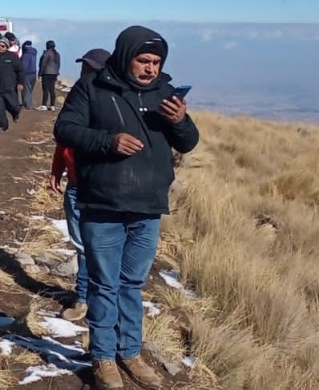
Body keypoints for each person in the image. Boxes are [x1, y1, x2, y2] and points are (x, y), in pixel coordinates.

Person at [54, 27, 199, 390]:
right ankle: (103, 359)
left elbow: (189, 142)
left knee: (131, 285)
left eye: (156, 62)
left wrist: (180, 120)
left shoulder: (165, 92)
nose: (151, 69)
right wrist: (108, 142)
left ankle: (129, 352)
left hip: (148, 208)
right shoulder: (92, 88)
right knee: (104, 285)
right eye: (143, 60)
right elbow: (65, 129)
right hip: (103, 204)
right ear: (125, 57)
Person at [48, 47, 110, 322]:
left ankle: (97, 298)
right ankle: (85, 299)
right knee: (84, 247)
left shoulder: (111, 104)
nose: (85, 73)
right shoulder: (77, 99)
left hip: (101, 187)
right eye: (84, 68)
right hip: (75, 185)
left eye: (91, 69)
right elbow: (64, 138)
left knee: (99, 247)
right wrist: (57, 170)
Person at [0, 38, 23, 132]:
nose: (0, 48)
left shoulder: (13, 57)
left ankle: (15, 114)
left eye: (3, 46)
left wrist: (20, 83)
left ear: (7, 47)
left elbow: (20, 71)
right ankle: (2, 125)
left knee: (14, 106)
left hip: (10, 87)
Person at [38, 40, 62, 110]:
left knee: (45, 89)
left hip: (46, 73)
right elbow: (58, 65)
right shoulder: (57, 54)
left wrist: (40, 73)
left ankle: (44, 105)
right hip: (54, 73)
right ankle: (52, 106)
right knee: (52, 89)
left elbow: (43, 64)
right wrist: (57, 72)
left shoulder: (46, 53)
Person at [20, 40, 38, 109]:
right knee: (29, 90)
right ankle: (26, 103)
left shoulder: (25, 55)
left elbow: (23, 66)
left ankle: (28, 105)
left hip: (26, 74)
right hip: (33, 73)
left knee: (26, 90)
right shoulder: (34, 53)